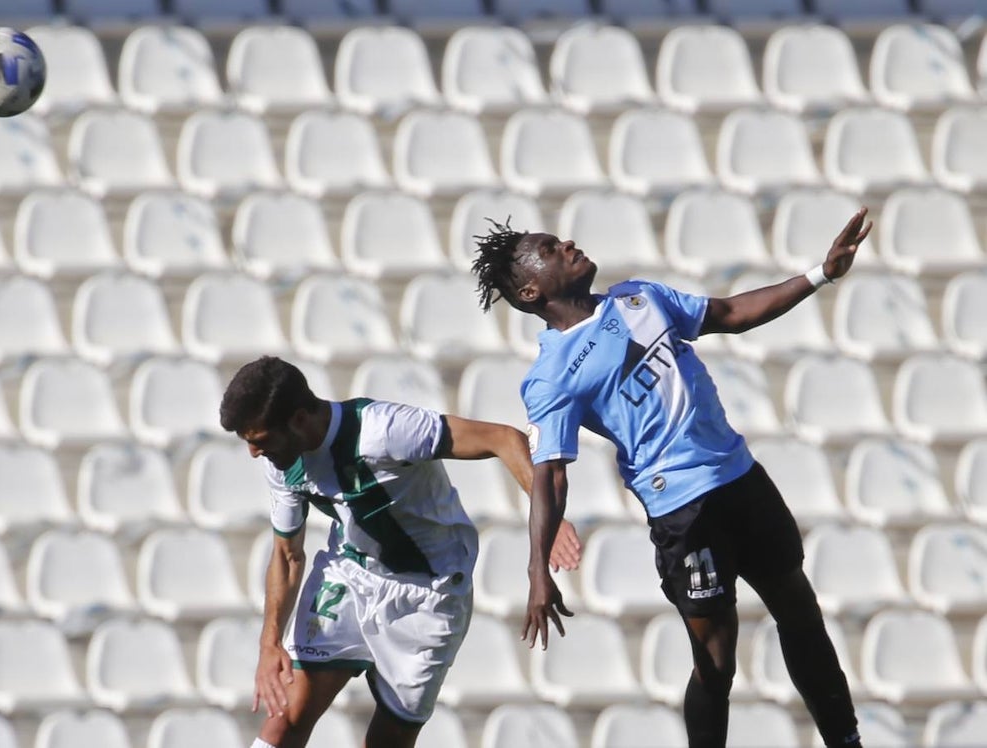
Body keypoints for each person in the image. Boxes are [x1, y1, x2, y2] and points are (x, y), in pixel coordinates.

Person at [470, 209, 873, 748]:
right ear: (529, 291)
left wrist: (820, 273)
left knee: (800, 613)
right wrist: (537, 569)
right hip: (684, 511)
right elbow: (550, 476)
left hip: (740, 478)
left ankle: (846, 740)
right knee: (716, 661)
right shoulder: (551, 376)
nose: (567, 242)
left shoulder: (639, 296)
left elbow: (729, 312)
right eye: (549, 248)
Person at [219, 356, 582, 748]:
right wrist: (269, 643)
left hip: (429, 594)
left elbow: (503, 438)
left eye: (259, 440)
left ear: (299, 418)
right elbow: (288, 557)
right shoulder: (281, 462)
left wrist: (551, 517)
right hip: (350, 574)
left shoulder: (386, 430)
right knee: (285, 719)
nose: (254, 453)